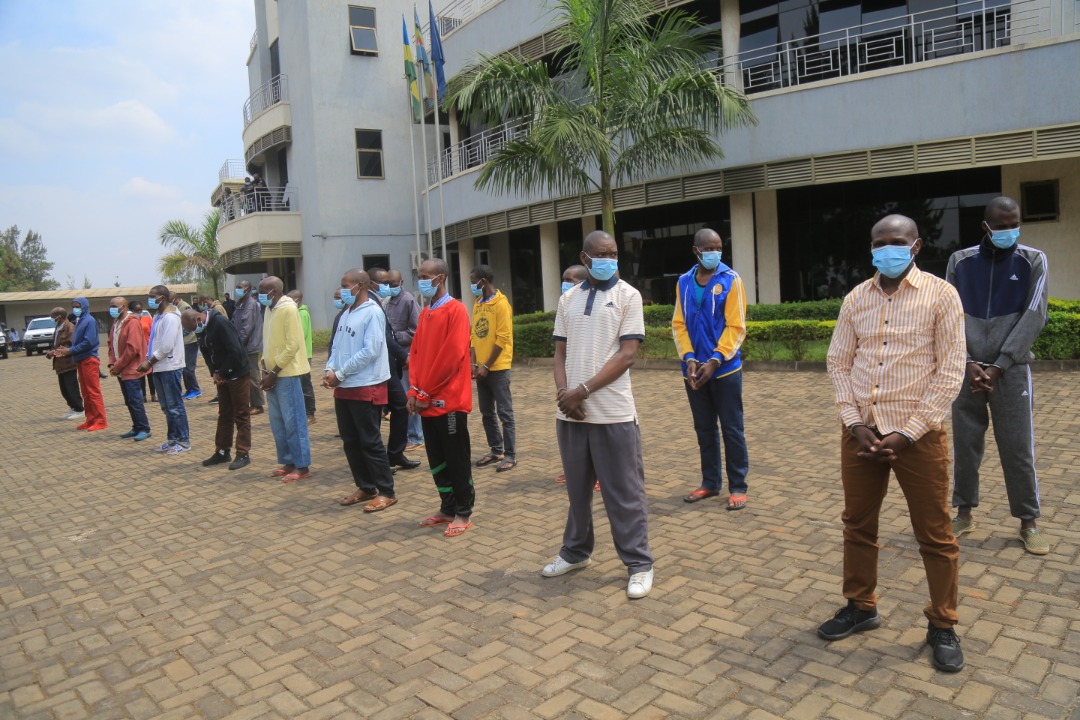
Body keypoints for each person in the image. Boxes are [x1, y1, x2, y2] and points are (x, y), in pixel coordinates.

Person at [822, 214, 967, 673]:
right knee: (857, 525)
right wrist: (853, 422)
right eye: (880, 242)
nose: (888, 249)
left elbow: (951, 371)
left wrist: (908, 432)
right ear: (870, 248)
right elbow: (838, 362)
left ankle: (942, 623)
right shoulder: (855, 299)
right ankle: (861, 606)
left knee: (936, 534)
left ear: (916, 245)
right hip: (861, 434)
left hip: (918, 438)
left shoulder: (941, 296)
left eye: (897, 242)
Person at [543, 231, 654, 600]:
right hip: (572, 415)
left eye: (614, 253)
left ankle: (639, 564)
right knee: (577, 494)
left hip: (613, 413)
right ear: (585, 257)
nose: (609, 258)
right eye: (601, 254)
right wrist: (565, 394)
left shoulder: (629, 296)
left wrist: (582, 391)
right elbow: (559, 354)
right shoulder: (569, 298)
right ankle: (576, 553)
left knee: (624, 494)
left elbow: (627, 355)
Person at [948, 196, 1050, 555]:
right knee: (966, 444)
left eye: (1014, 223)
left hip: (1011, 371)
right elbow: (949, 315)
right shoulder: (960, 262)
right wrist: (968, 361)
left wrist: (1000, 364)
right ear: (985, 226)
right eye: (1001, 224)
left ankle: (1028, 522)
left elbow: (1035, 313)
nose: (1009, 230)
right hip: (968, 370)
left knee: (1018, 447)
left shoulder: (1033, 259)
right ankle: (963, 513)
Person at [672, 229, 750, 509]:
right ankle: (710, 483)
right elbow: (678, 324)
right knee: (704, 428)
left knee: (731, 429)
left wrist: (716, 358)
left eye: (718, 247)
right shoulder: (683, 281)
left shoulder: (731, 280)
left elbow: (736, 325)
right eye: (708, 248)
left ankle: (738, 486)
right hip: (692, 370)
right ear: (696, 251)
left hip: (724, 369)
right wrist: (690, 358)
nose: (713, 252)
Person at [407, 258, 475, 537]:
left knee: (456, 456)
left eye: (427, 276)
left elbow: (452, 356)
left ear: (441, 278)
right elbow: (416, 354)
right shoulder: (426, 312)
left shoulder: (456, 310)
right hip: (425, 399)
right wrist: (414, 389)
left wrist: (426, 390)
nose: (422, 280)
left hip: (448, 401)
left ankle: (463, 510)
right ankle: (447, 507)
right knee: (436, 457)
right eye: (420, 275)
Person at [325, 270, 399, 512]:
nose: (343, 290)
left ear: (360, 285)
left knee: (370, 441)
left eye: (346, 285)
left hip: (366, 385)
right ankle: (366, 486)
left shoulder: (373, 312)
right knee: (350, 440)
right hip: (344, 387)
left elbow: (371, 351)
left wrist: (341, 373)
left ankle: (386, 490)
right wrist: (330, 369)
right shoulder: (347, 313)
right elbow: (336, 345)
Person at [183, 307, 252, 470]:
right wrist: (214, 372)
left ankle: (243, 453)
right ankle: (222, 451)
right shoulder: (201, 328)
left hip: (237, 373)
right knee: (224, 414)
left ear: (197, 319)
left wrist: (222, 372)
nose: (194, 331)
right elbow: (206, 352)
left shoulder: (220, 322)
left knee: (241, 414)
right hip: (222, 375)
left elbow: (235, 350)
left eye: (192, 328)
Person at [258, 276, 312, 482]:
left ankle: (302, 465)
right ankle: (288, 461)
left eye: (263, 291)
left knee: (294, 422)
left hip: (286, 373)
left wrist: (274, 372)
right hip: (271, 372)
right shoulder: (269, 309)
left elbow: (293, 345)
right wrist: (264, 367)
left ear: (274, 291)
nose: (260, 294)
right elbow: (268, 342)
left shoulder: (289, 309)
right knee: (278, 422)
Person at [368, 268, 419, 472]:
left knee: (398, 406)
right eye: (383, 282)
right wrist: (403, 355)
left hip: (388, 367)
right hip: (380, 368)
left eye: (390, 282)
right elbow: (386, 337)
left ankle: (395, 454)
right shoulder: (374, 304)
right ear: (371, 283)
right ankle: (383, 460)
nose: (386, 286)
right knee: (387, 410)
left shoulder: (396, 300)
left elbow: (406, 332)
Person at [469, 264, 517, 472]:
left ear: (483, 281)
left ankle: (510, 454)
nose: (471, 285)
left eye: (473, 282)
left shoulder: (501, 304)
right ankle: (496, 449)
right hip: (480, 369)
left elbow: (503, 337)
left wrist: (487, 365)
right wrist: (473, 363)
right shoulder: (478, 303)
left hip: (497, 368)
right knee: (486, 412)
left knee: (504, 413)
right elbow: (473, 335)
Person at [135, 286, 191, 454]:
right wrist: (148, 359)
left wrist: (149, 362)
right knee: (166, 407)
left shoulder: (171, 318)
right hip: (159, 366)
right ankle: (172, 439)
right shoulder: (158, 316)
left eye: (153, 296)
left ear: (163, 298)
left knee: (175, 406)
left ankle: (183, 441)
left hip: (170, 366)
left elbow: (166, 346)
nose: (150, 299)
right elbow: (154, 341)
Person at [553, 264, 590, 484]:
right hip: (569, 381)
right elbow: (560, 352)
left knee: (593, 428)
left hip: (592, 383)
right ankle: (575, 469)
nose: (565, 283)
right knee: (574, 433)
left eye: (570, 279)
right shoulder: (565, 305)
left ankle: (597, 475)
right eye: (564, 279)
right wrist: (562, 390)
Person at [52, 297, 108, 431]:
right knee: (85, 392)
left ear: (84, 306)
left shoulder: (89, 321)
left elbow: (89, 342)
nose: (75, 309)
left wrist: (70, 350)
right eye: (73, 306)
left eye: (78, 306)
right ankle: (90, 419)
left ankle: (101, 420)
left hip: (89, 359)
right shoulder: (80, 320)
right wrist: (66, 351)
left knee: (93, 392)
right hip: (81, 360)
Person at [385, 268, 424, 451]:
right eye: (388, 284)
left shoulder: (408, 300)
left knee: (410, 396)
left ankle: (416, 436)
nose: (390, 288)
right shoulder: (388, 301)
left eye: (393, 285)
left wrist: (394, 337)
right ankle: (408, 434)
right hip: (394, 358)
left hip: (407, 357)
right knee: (401, 398)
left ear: (401, 283)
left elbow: (416, 330)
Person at [106, 297, 151, 441]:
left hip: (131, 369)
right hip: (120, 370)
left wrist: (118, 366)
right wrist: (112, 363)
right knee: (128, 401)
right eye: (110, 306)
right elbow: (111, 345)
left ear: (124, 306)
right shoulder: (116, 323)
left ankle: (144, 428)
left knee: (135, 401)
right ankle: (136, 426)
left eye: (115, 306)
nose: (111, 309)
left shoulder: (132, 323)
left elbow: (133, 348)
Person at [232, 280, 265, 415]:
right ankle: (250, 402)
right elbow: (234, 322)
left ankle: (257, 405)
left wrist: (237, 344)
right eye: (237, 287)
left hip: (249, 346)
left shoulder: (250, 304)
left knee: (253, 376)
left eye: (240, 287)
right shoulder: (240, 303)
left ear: (248, 289)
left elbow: (247, 328)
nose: (238, 289)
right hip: (241, 346)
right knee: (246, 376)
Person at [45, 307, 84, 420]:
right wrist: (52, 351)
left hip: (69, 363)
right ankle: (72, 407)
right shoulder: (58, 327)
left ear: (60, 316)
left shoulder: (69, 327)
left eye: (53, 316)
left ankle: (79, 409)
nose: (52, 319)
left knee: (72, 388)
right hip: (60, 364)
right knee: (64, 390)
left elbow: (70, 346)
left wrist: (54, 352)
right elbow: (57, 344)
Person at [286, 289, 317, 424]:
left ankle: (310, 414)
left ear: (297, 301)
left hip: (303, 355)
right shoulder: (293, 313)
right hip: (296, 356)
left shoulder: (302, 314)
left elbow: (299, 336)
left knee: (305, 385)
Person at [130, 301, 155, 403]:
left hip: (149, 348)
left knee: (151, 373)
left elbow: (153, 332)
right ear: (132, 311)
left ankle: (153, 395)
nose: (139, 312)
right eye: (137, 310)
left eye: (140, 310)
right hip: (138, 350)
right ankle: (143, 395)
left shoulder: (147, 319)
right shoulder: (130, 321)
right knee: (140, 374)